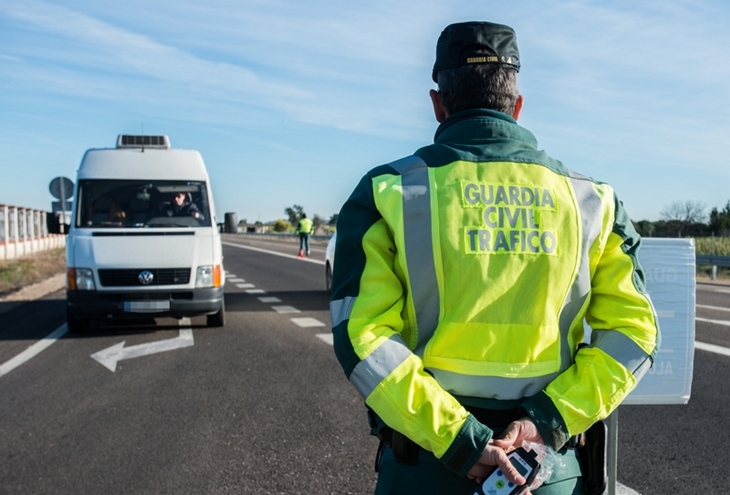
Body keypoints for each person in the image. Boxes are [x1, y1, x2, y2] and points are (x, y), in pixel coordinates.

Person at [329, 21, 659, 495]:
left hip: (427, 469)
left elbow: (362, 338)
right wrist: (547, 420)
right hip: (542, 470)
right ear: (517, 106)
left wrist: (460, 439)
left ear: (438, 103)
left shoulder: (388, 192)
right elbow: (634, 336)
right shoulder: (593, 201)